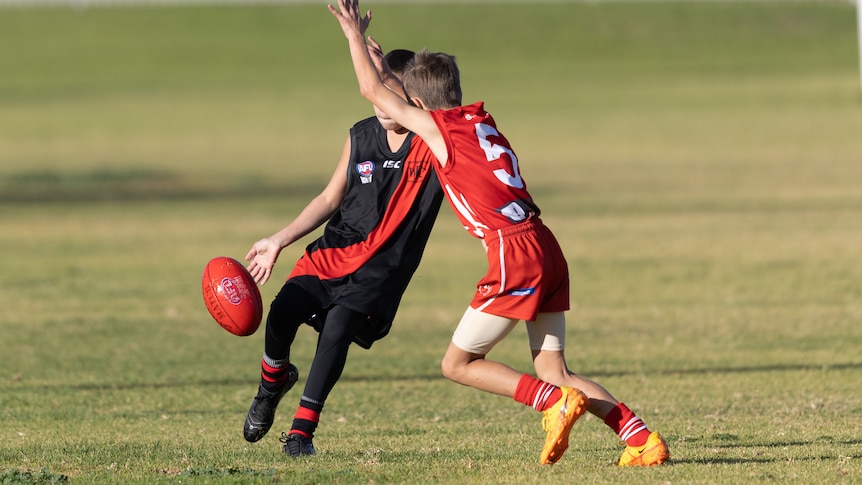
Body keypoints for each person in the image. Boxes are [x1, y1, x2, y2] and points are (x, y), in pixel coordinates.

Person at [329, 0, 669, 466]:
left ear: (420, 105)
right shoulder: (478, 121)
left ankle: (552, 403)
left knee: (457, 365)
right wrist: (384, 67)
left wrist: (352, 36)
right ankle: (643, 441)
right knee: (554, 369)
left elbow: (373, 91)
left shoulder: (438, 132)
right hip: (546, 246)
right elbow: (396, 96)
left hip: (514, 253)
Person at [242, 48, 444, 458]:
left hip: (381, 267)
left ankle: (301, 435)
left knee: (338, 328)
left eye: (392, 90)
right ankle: (272, 383)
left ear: (415, 99)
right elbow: (329, 197)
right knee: (283, 311)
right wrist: (279, 239)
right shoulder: (360, 135)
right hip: (334, 250)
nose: (381, 100)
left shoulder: (434, 142)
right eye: (377, 90)